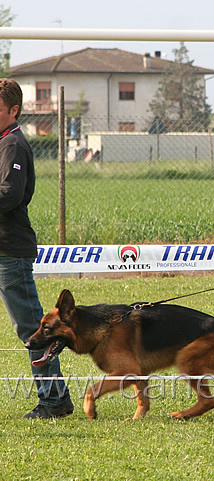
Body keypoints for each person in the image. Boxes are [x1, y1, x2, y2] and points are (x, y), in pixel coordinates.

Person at [0, 78, 73, 418]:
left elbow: (10, 195)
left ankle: (54, 400)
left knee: (33, 330)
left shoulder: (13, 144)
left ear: (13, 111)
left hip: (10, 252)